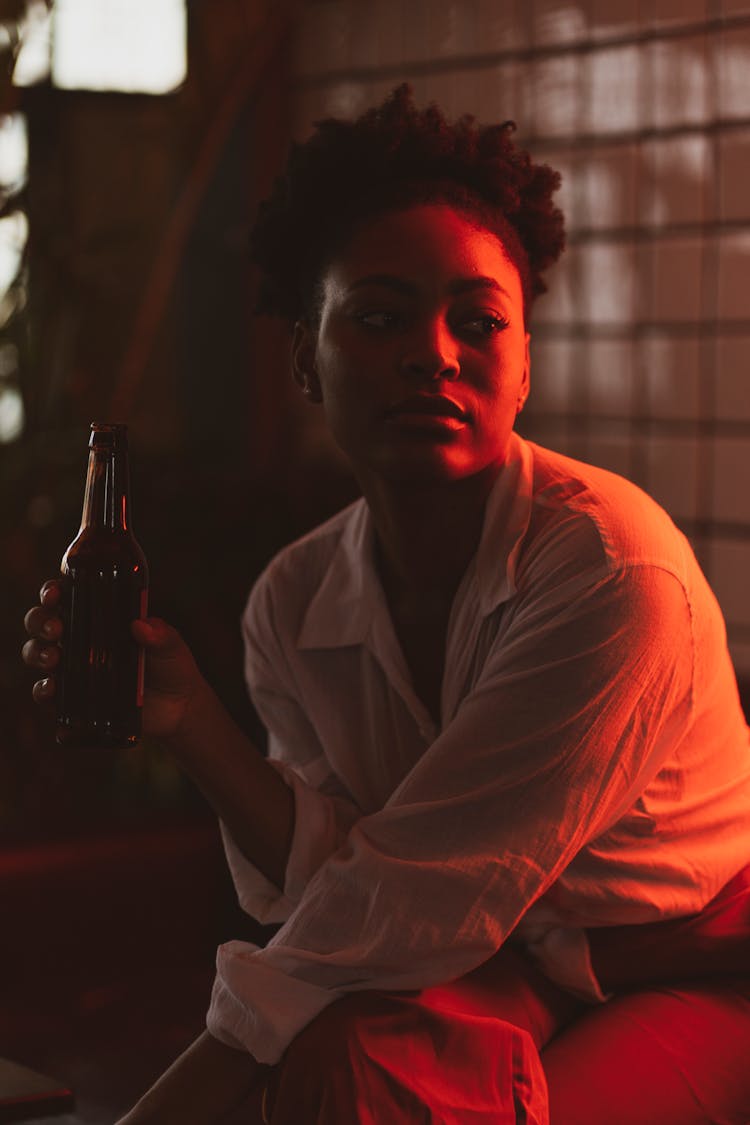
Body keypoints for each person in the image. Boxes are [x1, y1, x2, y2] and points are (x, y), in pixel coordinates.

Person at [23, 85, 750, 1124]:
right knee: (345, 1059)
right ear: (304, 364)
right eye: (378, 316)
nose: (434, 353)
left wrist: (179, 1098)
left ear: (525, 363)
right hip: (504, 952)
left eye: (479, 319)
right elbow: (352, 882)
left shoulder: (608, 570)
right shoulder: (297, 599)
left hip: (694, 962)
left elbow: (412, 895)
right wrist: (186, 724)